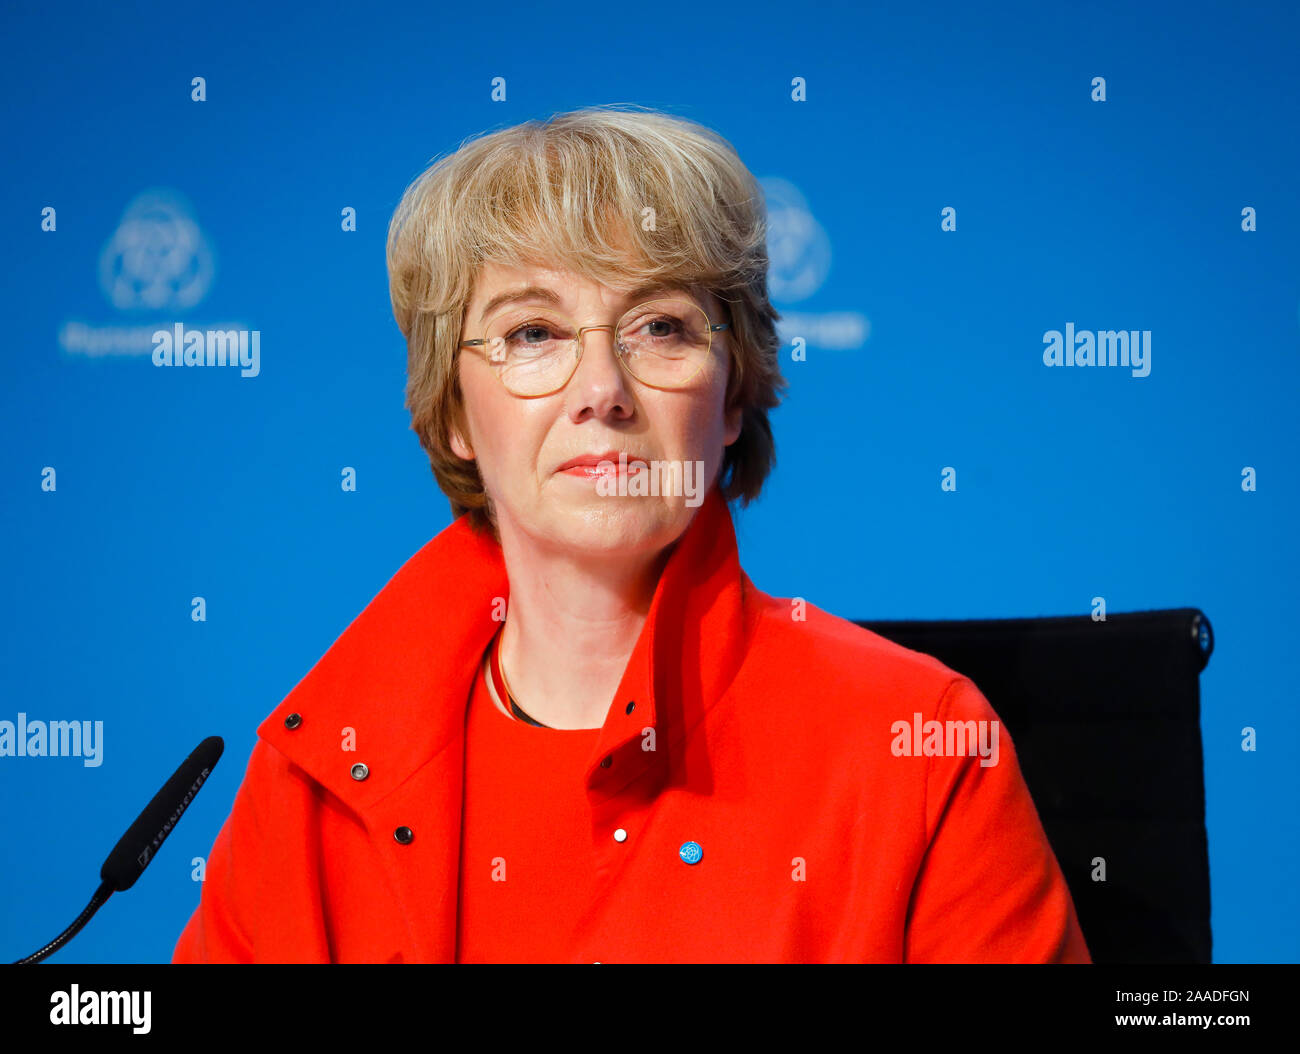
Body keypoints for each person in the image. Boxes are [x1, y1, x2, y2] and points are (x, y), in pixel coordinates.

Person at [171, 104, 1090, 963]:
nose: (600, 389)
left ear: (732, 396)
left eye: (660, 327)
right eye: (532, 333)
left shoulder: (920, 745)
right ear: (453, 411)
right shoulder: (315, 773)